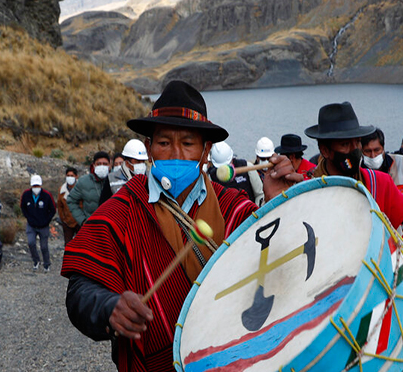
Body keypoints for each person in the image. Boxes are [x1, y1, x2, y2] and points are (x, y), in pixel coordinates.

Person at [61, 80, 298, 371]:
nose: (175, 153)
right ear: (149, 149)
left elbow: (279, 260)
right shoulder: (120, 212)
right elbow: (80, 289)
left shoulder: (232, 208)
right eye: (163, 143)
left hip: (231, 360)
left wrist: (279, 205)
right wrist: (108, 307)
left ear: (205, 151)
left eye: (187, 143)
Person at [305, 102, 403, 228]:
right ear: (325, 150)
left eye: (358, 142)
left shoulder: (381, 183)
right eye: (345, 144)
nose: (355, 150)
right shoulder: (308, 193)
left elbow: (402, 234)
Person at [207, 141, 264, 206]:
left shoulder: (247, 167)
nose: (225, 168)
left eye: (227, 164)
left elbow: (260, 194)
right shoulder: (211, 177)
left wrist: (256, 212)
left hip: (251, 212)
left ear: (232, 158)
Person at [361, 128, 403, 197]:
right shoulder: (356, 170)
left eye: (377, 150)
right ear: (361, 150)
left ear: (383, 147)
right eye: (368, 151)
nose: (373, 155)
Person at [20, 175, 56, 272]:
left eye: (37, 186)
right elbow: (23, 207)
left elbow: (53, 209)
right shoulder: (26, 194)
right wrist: (28, 217)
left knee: (44, 247)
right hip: (31, 225)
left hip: (43, 226)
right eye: (34, 186)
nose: (36, 188)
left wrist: (47, 220)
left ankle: (46, 264)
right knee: (31, 243)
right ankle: (36, 261)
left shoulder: (47, 195)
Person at [66, 151, 112, 228]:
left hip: (112, 227)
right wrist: (83, 220)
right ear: (94, 165)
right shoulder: (83, 181)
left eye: (105, 164)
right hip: (92, 228)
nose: (102, 166)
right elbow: (71, 201)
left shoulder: (115, 180)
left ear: (109, 165)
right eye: (99, 164)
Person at [57, 167, 80, 244]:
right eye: (68, 175)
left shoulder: (81, 188)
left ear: (76, 176)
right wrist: (63, 219)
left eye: (72, 175)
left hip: (79, 222)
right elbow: (60, 206)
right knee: (68, 244)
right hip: (67, 222)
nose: (70, 177)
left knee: (82, 244)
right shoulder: (62, 189)